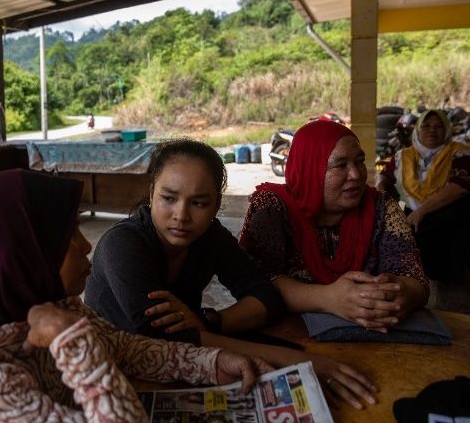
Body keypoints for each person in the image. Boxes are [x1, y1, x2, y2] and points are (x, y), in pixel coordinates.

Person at [0, 169, 272, 423]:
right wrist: (70, 340)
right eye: (68, 237)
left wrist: (212, 363)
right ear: (22, 255)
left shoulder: (49, 308)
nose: (86, 245)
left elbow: (124, 349)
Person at [86, 138, 378, 410]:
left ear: (216, 205)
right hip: (115, 373)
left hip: (188, 362)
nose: (181, 215)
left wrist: (209, 320)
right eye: (169, 198)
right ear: (151, 194)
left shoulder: (209, 237)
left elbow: (265, 296)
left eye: (199, 203)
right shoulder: (122, 245)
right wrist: (301, 361)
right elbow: (162, 339)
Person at [240, 120, 429, 333]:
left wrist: (400, 295)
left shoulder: (381, 207)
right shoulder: (272, 206)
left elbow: (415, 276)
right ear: (309, 168)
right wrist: (328, 298)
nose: (356, 175)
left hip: (372, 333)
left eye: (359, 162)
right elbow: (254, 280)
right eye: (341, 165)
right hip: (288, 335)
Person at [376, 109, 470, 283]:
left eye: (438, 126)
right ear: (417, 130)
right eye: (426, 126)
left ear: (447, 130)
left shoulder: (459, 152)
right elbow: (385, 176)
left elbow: (459, 187)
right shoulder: (403, 156)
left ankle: (438, 285)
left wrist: (421, 212)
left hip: (445, 215)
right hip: (413, 214)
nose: (432, 130)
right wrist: (381, 188)